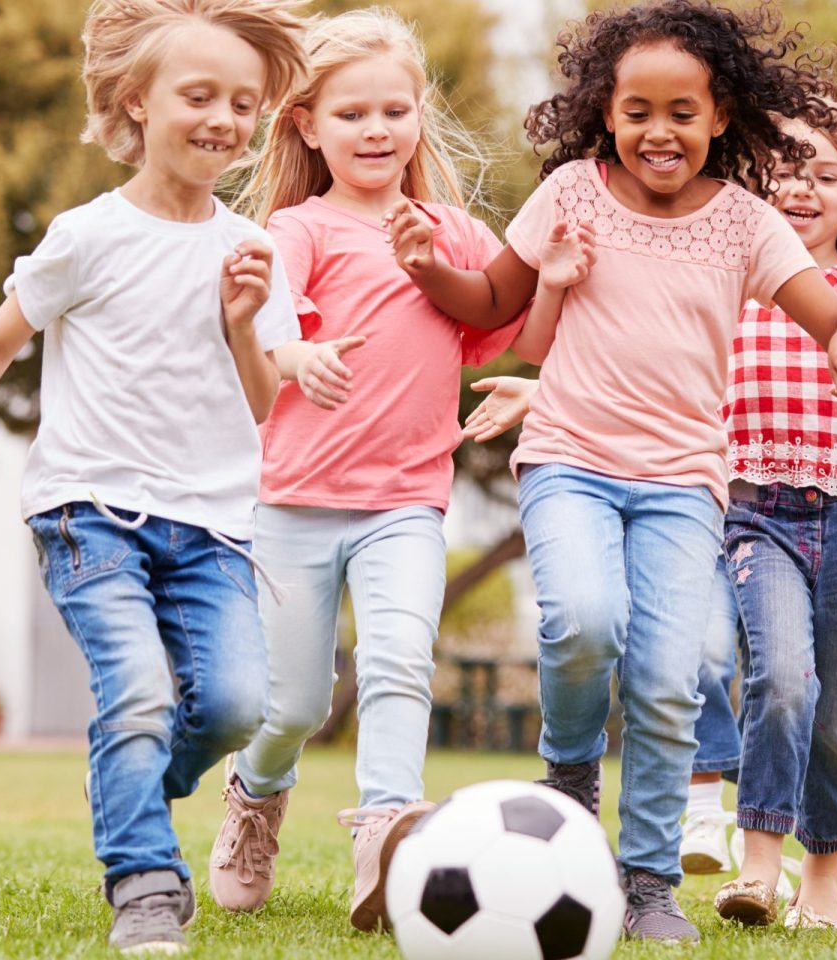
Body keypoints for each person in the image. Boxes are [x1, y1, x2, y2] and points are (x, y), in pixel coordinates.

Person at [389, 0, 837, 943]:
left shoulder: (746, 222)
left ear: (720, 118)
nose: (658, 132)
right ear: (605, 113)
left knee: (668, 681)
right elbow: (495, 297)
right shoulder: (572, 194)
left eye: (682, 113)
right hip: (571, 461)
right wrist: (427, 272)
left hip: (682, 484)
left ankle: (650, 877)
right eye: (637, 112)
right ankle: (571, 771)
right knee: (584, 622)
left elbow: (823, 308)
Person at [0, 0, 308, 951]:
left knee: (233, 706)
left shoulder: (252, 251)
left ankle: (127, 779)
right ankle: (144, 882)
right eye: (198, 94)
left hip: (214, 525)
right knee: (139, 693)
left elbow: (269, 405)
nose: (224, 118)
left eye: (243, 101)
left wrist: (242, 323)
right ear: (134, 103)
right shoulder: (86, 236)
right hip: (89, 512)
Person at [202, 8, 523, 932]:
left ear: (419, 114)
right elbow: (266, 315)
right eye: (352, 115)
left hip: (405, 504)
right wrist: (294, 355)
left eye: (394, 110)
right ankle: (255, 798)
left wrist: (563, 272)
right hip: (293, 503)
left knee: (396, 663)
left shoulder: (451, 234)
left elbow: (500, 326)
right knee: (293, 700)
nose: (376, 130)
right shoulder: (298, 228)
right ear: (307, 124)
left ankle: (387, 835)